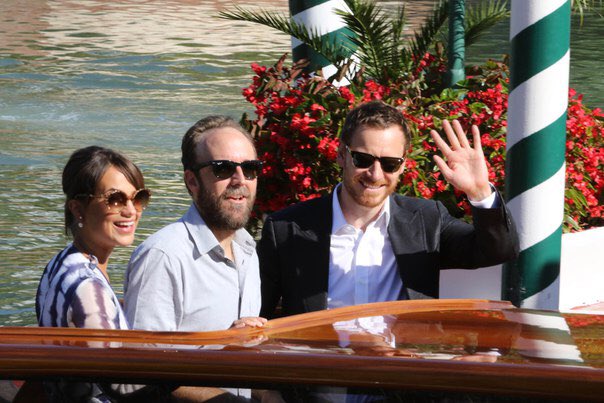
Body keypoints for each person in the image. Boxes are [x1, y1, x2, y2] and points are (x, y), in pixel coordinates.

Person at [258, 100, 519, 319]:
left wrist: (479, 192)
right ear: (341, 155)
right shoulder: (285, 230)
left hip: (400, 362)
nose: (375, 174)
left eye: (390, 164)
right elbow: (259, 313)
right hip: (322, 363)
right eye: (362, 159)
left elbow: (498, 250)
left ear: (403, 166)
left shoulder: (427, 220)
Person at [124, 115, 268, 401]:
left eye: (250, 169)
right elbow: (141, 376)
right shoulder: (163, 256)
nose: (240, 180)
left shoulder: (248, 249)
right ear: (192, 181)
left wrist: (266, 394)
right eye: (223, 169)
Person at [35, 145, 161, 402]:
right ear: (78, 209)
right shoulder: (88, 286)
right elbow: (119, 384)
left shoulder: (59, 264)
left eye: (138, 198)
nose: (131, 211)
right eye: (115, 199)